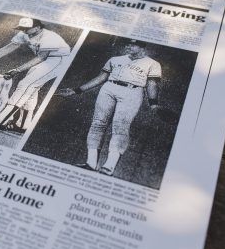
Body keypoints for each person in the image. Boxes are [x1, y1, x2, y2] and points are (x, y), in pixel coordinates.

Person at [58, 39, 161, 176]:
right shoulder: (115, 59)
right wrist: (77, 90)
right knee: (97, 124)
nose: (128, 46)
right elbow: (101, 77)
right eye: (127, 44)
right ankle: (91, 163)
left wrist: (153, 103)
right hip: (109, 88)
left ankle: (109, 166)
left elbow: (152, 84)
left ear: (142, 46)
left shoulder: (152, 63)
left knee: (120, 127)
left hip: (132, 91)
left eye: (133, 44)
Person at [0, 17, 70, 132]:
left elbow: (42, 57)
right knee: (31, 89)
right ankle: (23, 126)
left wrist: (17, 70)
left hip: (59, 60)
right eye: (22, 28)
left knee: (25, 84)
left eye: (27, 28)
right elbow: (10, 46)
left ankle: (0, 121)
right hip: (46, 61)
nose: (24, 31)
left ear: (37, 27)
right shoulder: (24, 34)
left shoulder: (49, 37)